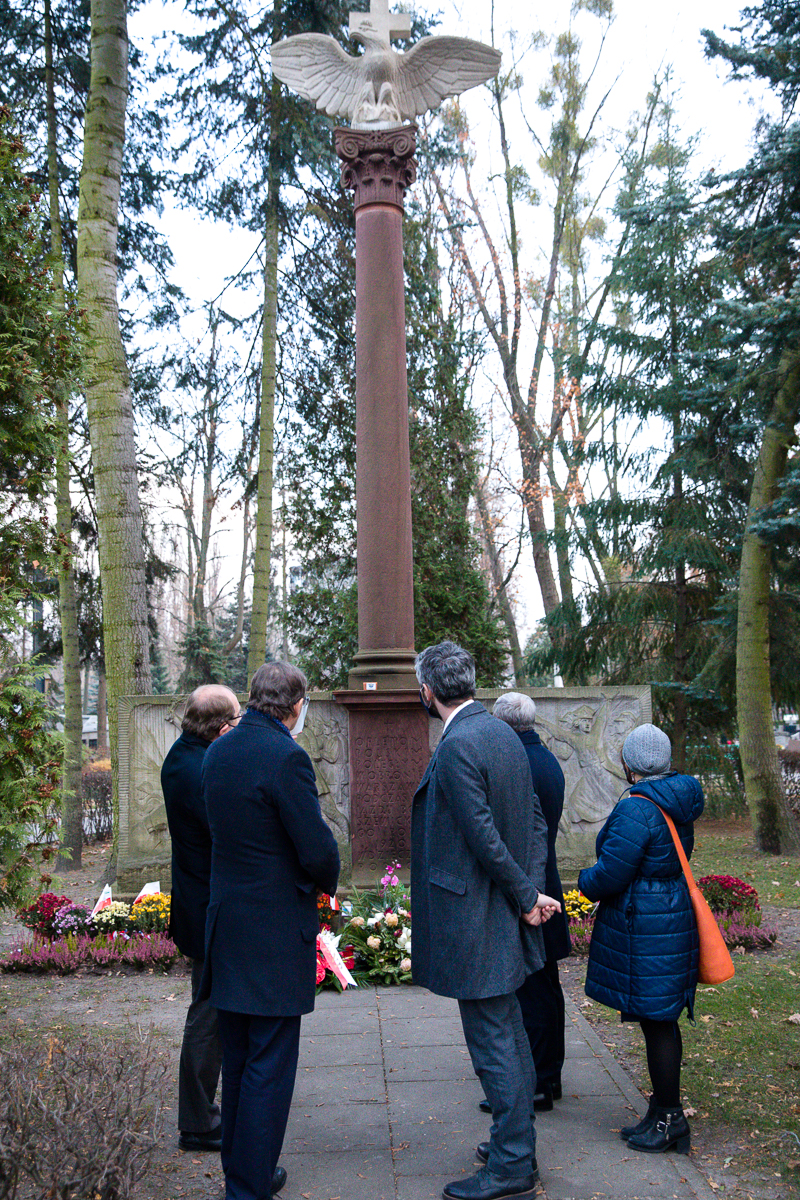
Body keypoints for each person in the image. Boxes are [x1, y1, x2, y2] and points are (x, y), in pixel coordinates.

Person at [411, 641, 561, 1200]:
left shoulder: (459, 745)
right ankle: (512, 1139)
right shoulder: (501, 732)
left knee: (495, 1039)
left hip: (478, 915)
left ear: (428, 690)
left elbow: (482, 837)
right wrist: (532, 886)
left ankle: (513, 1164)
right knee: (511, 1033)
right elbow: (537, 822)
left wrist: (527, 894)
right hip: (499, 907)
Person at [201, 661, 340, 1200]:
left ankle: (243, 1172)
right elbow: (317, 848)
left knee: (238, 1059)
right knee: (269, 1065)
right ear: (296, 705)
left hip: (228, 922)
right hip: (273, 929)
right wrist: (325, 882)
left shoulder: (219, 750)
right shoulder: (286, 756)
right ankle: (249, 1185)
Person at [578, 723, 704, 1155]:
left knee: (659, 1023)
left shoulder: (638, 807)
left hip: (649, 925)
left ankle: (670, 1119)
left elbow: (613, 871)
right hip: (669, 916)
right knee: (660, 1021)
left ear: (630, 764)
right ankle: (661, 1112)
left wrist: (584, 882)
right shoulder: (675, 799)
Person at [161, 683, 240, 1154]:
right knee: (208, 1014)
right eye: (235, 716)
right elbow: (226, 831)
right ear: (219, 726)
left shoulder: (186, 753)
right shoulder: (198, 769)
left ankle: (204, 1112)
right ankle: (197, 1121)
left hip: (199, 901)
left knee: (210, 1008)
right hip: (207, 905)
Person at [492, 693, 570, 1113]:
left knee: (533, 991)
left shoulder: (517, 764)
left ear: (503, 724)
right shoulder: (547, 759)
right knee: (548, 988)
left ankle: (537, 1084)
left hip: (530, 891)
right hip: (546, 881)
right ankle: (550, 1076)